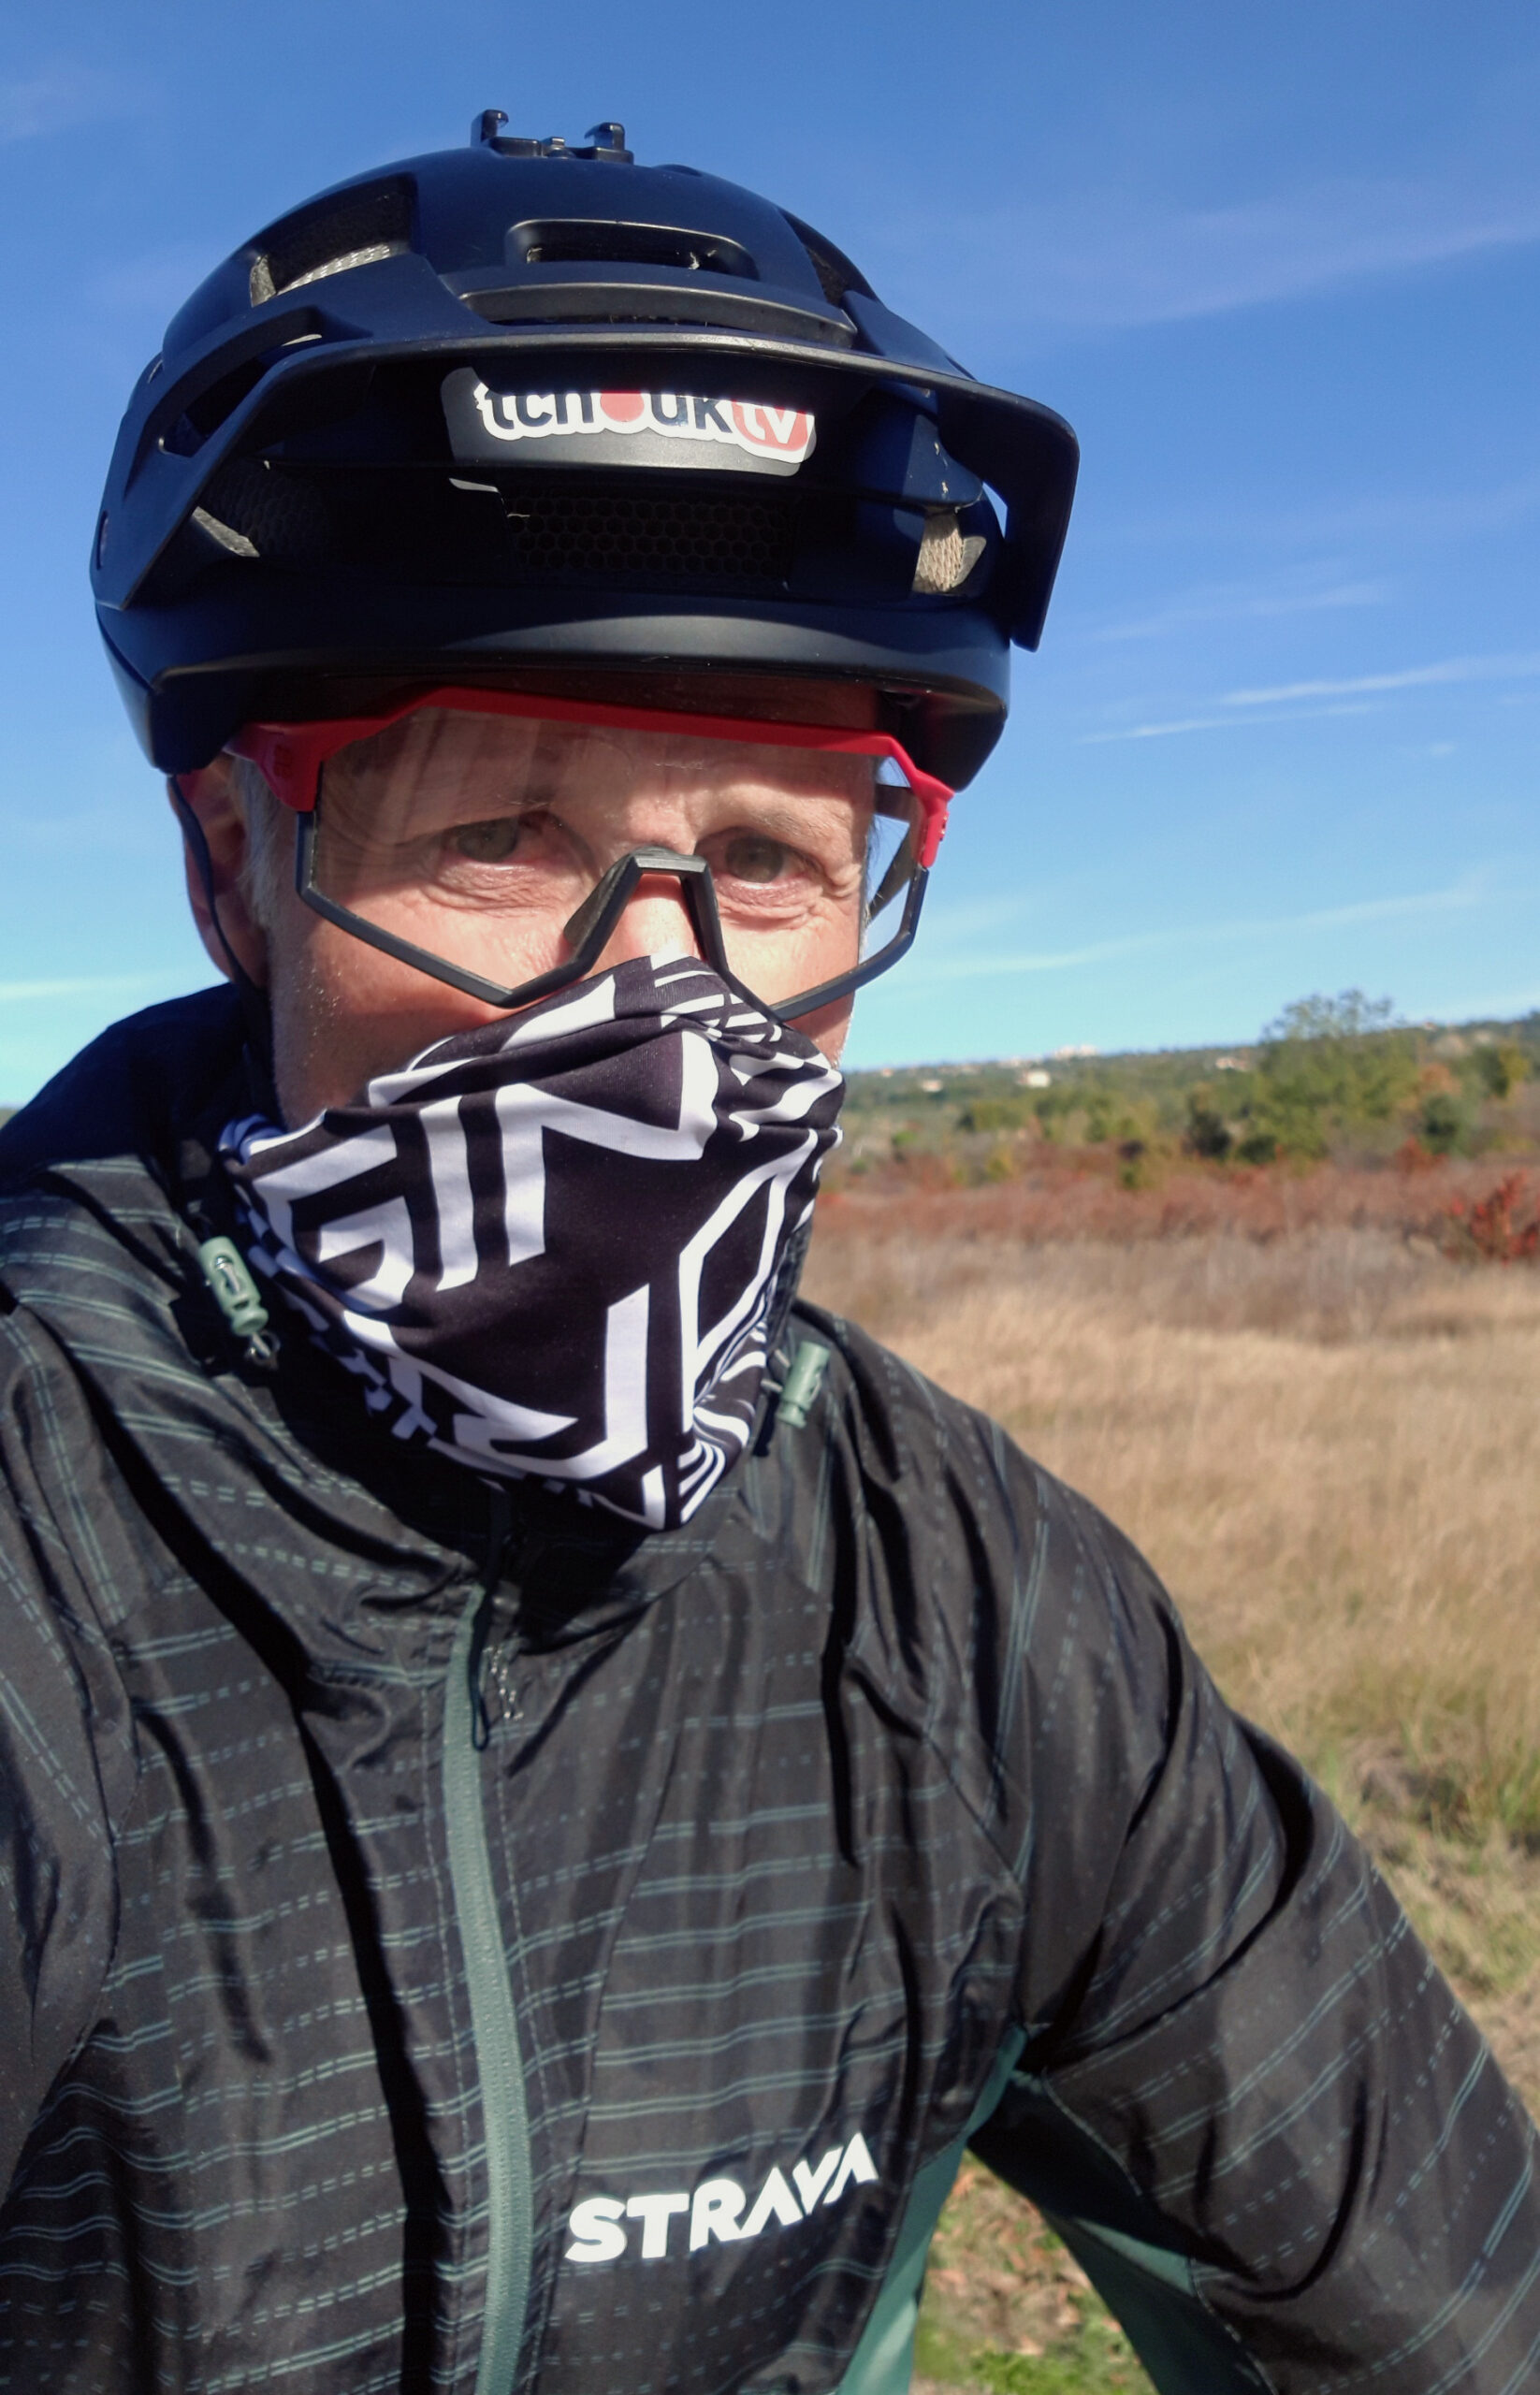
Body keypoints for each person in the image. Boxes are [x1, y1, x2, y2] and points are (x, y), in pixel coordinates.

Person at [0, 112, 1533, 2395]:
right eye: (500, 832)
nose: (660, 994)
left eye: (767, 860)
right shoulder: (39, 1540)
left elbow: (1435, 2288)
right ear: (235, 869)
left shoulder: (965, 1596)